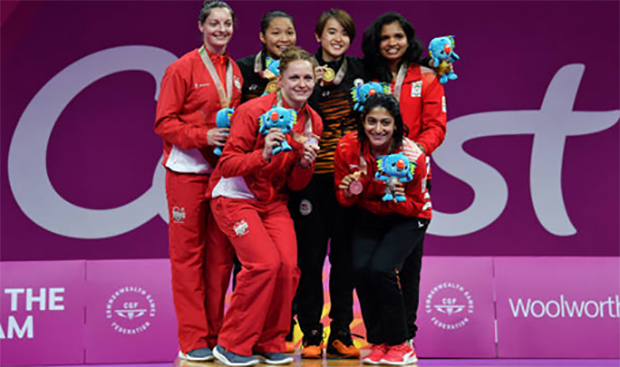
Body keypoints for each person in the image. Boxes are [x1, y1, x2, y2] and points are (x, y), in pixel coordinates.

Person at [208, 46, 323, 366]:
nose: (302, 84)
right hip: (234, 196)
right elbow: (228, 164)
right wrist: (264, 153)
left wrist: (305, 164)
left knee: (288, 268)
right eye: (294, 77)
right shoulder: (252, 111)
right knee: (263, 265)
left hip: (272, 202)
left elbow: (297, 185)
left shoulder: (313, 121)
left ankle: (270, 341)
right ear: (280, 81)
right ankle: (231, 344)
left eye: (308, 78)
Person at [154, 0, 243, 361]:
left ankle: (216, 334)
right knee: (188, 259)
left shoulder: (235, 70)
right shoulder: (181, 68)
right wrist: (204, 136)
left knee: (221, 259)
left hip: (222, 176)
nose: (221, 30)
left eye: (227, 24)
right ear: (201, 26)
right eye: (214, 23)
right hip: (187, 174)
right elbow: (164, 123)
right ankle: (192, 340)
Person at [361, 12, 447, 347]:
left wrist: (412, 154)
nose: (392, 43)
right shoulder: (367, 76)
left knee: (407, 263)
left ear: (408, 39)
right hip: (369, 177)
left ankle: (405, 336)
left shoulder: (426, 76)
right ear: (376, 43)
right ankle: (378, 336)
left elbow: (436, 126)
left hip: (413, 176)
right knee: (368, 262)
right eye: (385, 38)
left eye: (398, 36)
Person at [287, 8, 363, 359]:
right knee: (311, 259)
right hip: (311, 182)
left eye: (344, 33)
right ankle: (311, 332)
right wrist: (313, 83)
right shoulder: (305, 74)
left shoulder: (361, 71)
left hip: (347, 181)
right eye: (331, 32)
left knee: (345, 260)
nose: (338, 39)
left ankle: (342, 331)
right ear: (317, 35)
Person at [334, 94, 431, 365]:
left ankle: (401, 343)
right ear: (362, 122)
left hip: (410, 217)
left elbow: (417, 205)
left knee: (382, 268)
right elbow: (343, 199)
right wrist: (354, 191)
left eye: (385, 123)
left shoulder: (412, 155)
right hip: (370, 213)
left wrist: (395, 195)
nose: (378, 129)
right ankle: (378, 341)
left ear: (396, 124)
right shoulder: (347, 147)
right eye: (372, 121)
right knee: (362, 268)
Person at [236, 10, 297, 102]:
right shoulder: (243, 68)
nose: (284, 39)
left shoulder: (305, 67)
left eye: (289, 33)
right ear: (262, 37)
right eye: (276, 33)